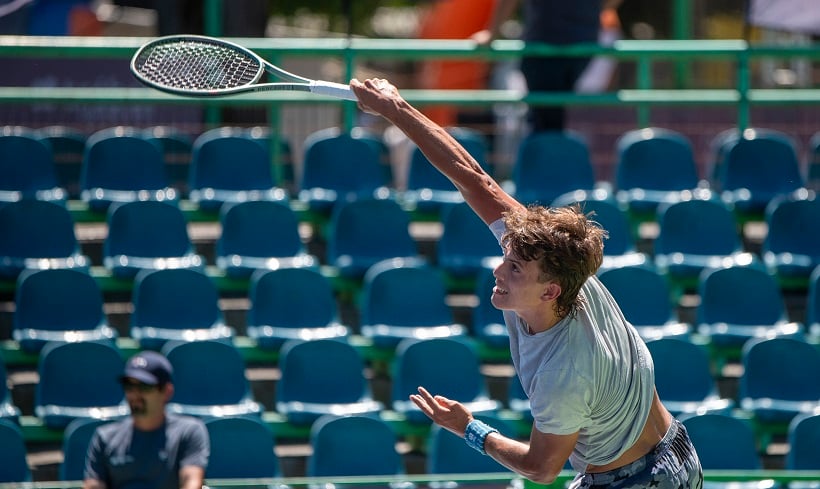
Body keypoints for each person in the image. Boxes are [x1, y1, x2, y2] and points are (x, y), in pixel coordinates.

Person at [349, 77, 703, 489]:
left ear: (550, 291)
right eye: (506, 258)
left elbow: (541, 468)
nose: (499, 270)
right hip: (676, 449)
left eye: (514, 268)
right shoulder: (562, 269)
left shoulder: (563, 374)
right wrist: (396, 109)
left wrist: (470, 428)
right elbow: (473, 177)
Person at [472, 0, 623, 132]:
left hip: (545, 42)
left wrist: (491, 33)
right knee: (551, 116)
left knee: (544, 120)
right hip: (583, 42)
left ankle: (549, 157)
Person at [83, 350, 209, 489]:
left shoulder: (189, 431)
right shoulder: (104, 437)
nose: (135, 394)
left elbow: (191, 482)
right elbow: (93, 485)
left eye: (144, 386)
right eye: (129, 386)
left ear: (167, 392)